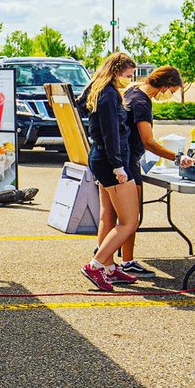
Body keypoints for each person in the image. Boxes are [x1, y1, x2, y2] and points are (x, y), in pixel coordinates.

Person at [116, 65, 186, 275]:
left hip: (120, 157)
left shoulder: (133, 91)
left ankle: (105, 260)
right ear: (164, 85)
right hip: (129, 162)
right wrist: (177, 157)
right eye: (172, 91)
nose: (170, 96)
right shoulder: (142, 102)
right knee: (131, 217)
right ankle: (126, 261)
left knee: (111, 215)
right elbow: (148, 141)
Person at [80, 52, 140, 291]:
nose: (130, 79)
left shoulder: (98, 90)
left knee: (109, 215)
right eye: (128, 74)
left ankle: (108, 266)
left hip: (102, 158)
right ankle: (96, 265)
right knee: (129, 222)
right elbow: (111, 133)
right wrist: (118, 166)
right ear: (116, 71)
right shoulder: (108, 94)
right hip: (111, 160)